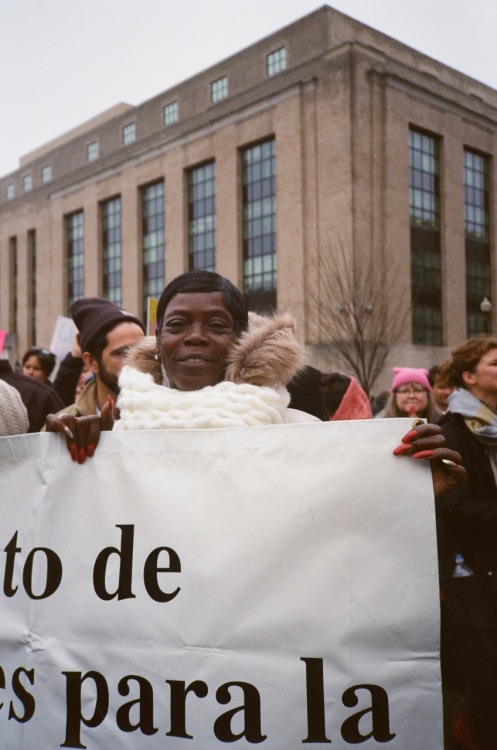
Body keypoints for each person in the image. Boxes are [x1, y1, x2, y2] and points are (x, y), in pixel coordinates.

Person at [46, 271, 465, 499]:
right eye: (177, 325)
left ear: (240, 340)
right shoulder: (111, 436)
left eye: (216, 325)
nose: (195, 336)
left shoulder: (302, 432)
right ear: (159, 342)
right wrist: (65, 461)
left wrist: (412, 494)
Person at [436, 337, 497, 750]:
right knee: (485, 675)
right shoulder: (450, 432)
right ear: (469, 377)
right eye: (496, 363)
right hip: (470, 574)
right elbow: (450, 505)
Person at [0, 357, 64, 432]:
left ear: (46, 372)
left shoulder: (45, 394)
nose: (30, 372)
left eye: (36, 369)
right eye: (27, 367)